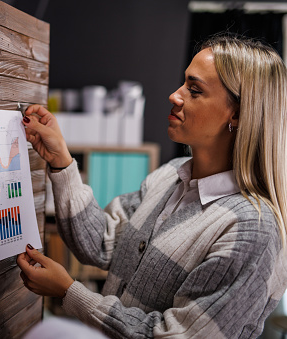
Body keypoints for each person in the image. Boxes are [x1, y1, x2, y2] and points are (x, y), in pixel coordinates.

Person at [16, 35, 287, 338]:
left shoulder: (253, 232)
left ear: (236, 113)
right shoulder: (169, 176)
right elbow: (103, 242)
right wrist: (61, 161)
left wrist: (70, 293)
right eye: (183, 83)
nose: (174, 95)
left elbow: (177, 335)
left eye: (194, 90)